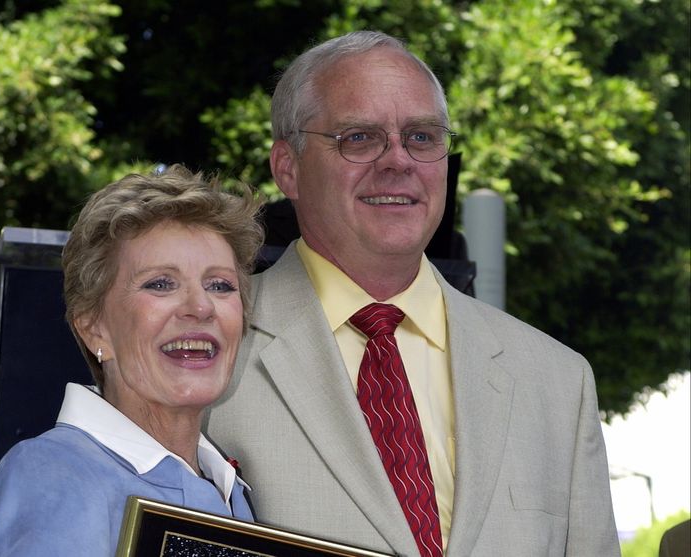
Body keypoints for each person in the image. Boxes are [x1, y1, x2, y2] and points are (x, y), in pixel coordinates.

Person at [205, 30, 620, 557]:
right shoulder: (205, 343)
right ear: (288, 167)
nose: (398, 160)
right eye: (359, 137)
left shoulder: (559, 382)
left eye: (422, 137)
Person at [0, 164, 264, 556]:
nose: (200, 306)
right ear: (93, 328)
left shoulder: (232, 490)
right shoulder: (54, 473)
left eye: (220, 285)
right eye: (161, 283)